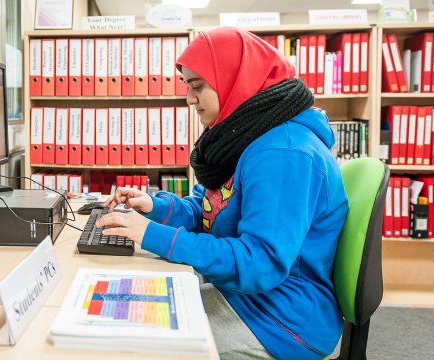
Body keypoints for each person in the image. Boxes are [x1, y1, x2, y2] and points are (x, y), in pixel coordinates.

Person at [97, 27, 348, 359]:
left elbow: (261, 262)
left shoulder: (284, 153)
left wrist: (155, 236)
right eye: (188, 86)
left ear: (235, 80)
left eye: (198, 86)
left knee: (135, 343)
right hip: (249, 297)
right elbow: (210, 210)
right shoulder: (245, 136)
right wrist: (155, 208)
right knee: (124, 314)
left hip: (284, 321)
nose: (189, 99)